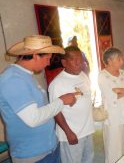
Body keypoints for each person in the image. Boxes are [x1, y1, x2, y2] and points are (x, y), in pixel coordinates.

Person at [0, 35, 77, 163]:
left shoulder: (26, 76)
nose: (48, 63)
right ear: (35, 55)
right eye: (47, 58)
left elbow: (42, 109)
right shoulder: (12, 79)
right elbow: (33, 119)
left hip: (48, 149)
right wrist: (62, 101)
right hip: (32, 155)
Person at [48, 46, 95, 163]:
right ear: (64, 62)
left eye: (80, 59)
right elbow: (55, 111)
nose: (79, 63)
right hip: (72, 133)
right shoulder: (57, 84)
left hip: (87, 129)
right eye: (74, 60)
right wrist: (68, 132)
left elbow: (86, 97)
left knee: (89, 159)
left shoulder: (83, 75)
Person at [98, 47, 124, 163]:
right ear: (109, 61)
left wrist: (120, 90)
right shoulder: (103, 76)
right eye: (119, 59)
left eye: (121, 59)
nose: (122, 62)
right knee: (114, 147)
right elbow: (111, 96)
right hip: (112, 117)